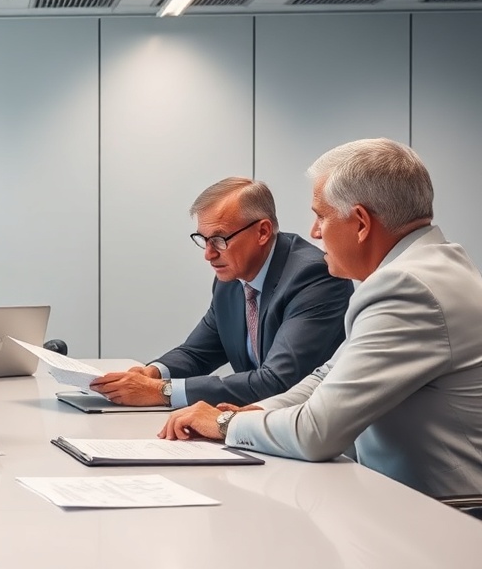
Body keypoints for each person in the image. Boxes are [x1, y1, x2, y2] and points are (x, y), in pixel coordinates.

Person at [160, 138, 482, 498]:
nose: (314, 232)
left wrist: (225, 423)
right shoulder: (426, 267)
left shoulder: (406, 287)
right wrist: (246, 413)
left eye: (322, 216)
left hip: (446, 517)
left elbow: (317, 432)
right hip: (408, 501)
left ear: (360, 223)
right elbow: (324, 378)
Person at [91, 177, 353, 408]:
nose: (209, 254)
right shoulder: (231, 279)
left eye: (219, 240)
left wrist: (162, 392)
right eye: (203, 240)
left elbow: (277, 381)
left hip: (316, 442)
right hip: (256, 426)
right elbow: (198, 353)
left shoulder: (315, 276)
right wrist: (153, 374)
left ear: (262, 231)